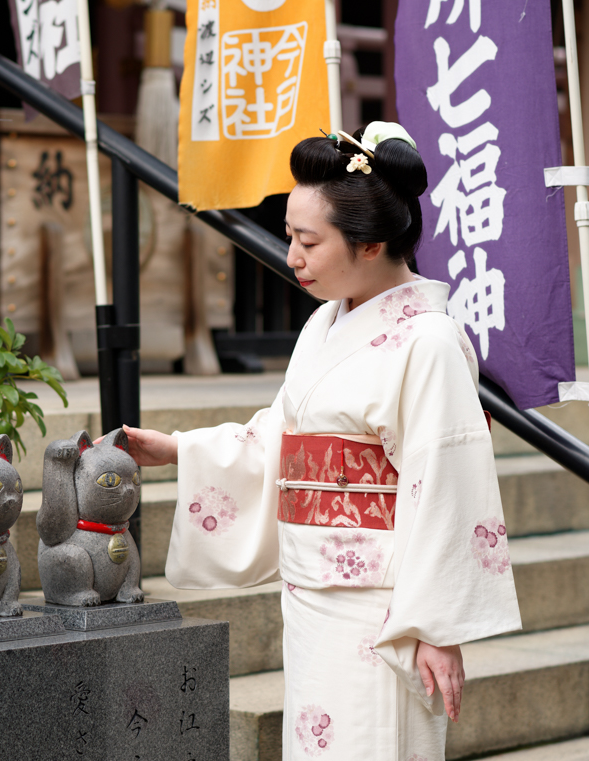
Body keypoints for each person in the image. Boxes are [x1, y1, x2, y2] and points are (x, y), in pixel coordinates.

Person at [120, 122, 522, 760]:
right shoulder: (322, 325)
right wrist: (180, 450)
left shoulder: (429, 341)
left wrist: (437, 627)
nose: (293, 258)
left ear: (371, 245)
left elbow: (447, 483)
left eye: (309, 241)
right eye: (289, 238)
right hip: (312, 596)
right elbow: (280, 434)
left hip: (384, 608)